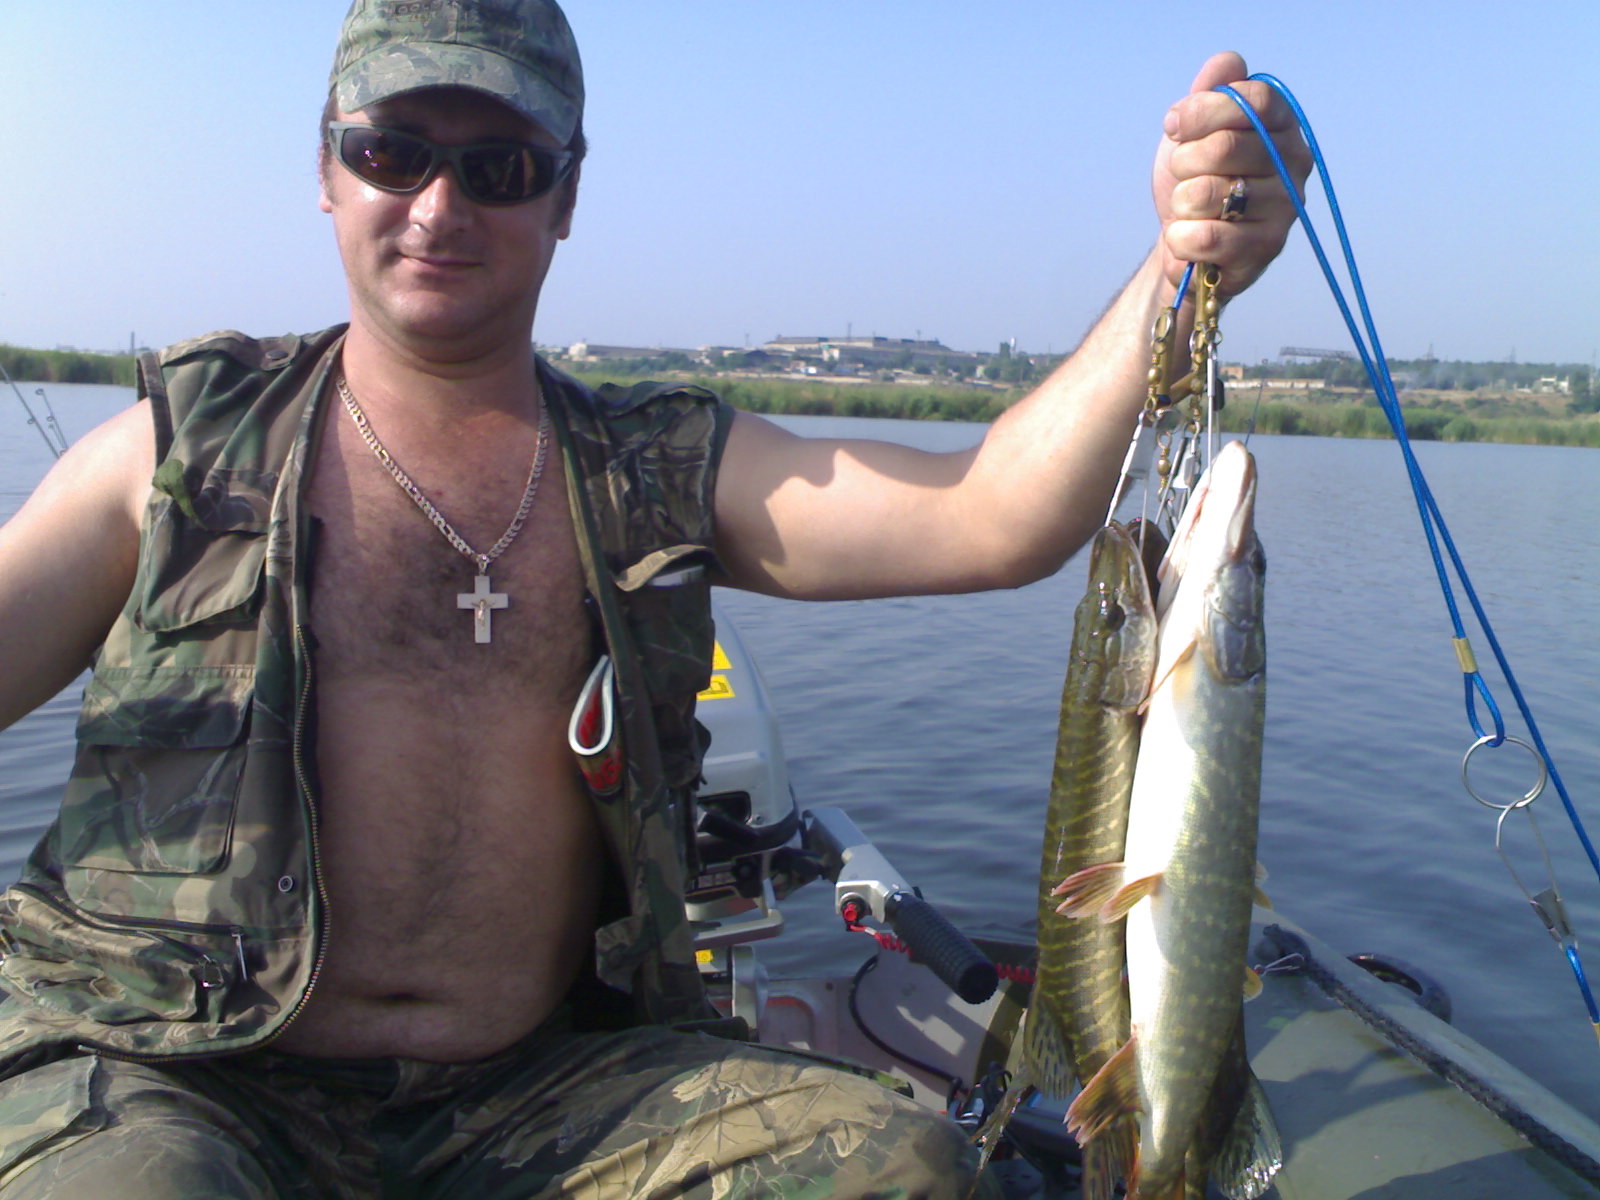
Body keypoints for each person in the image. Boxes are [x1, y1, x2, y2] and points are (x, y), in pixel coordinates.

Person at [0, 2, 1308, 1196]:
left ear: (566, 195)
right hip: (176, 1070)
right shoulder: (169, 456)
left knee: (899, 1166)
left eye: (500, 167)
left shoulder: (659, 470)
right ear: (328, 170)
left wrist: (1178, 263)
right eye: (393, 152)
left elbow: (990, 516)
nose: (439, 206)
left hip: (532, 1096)